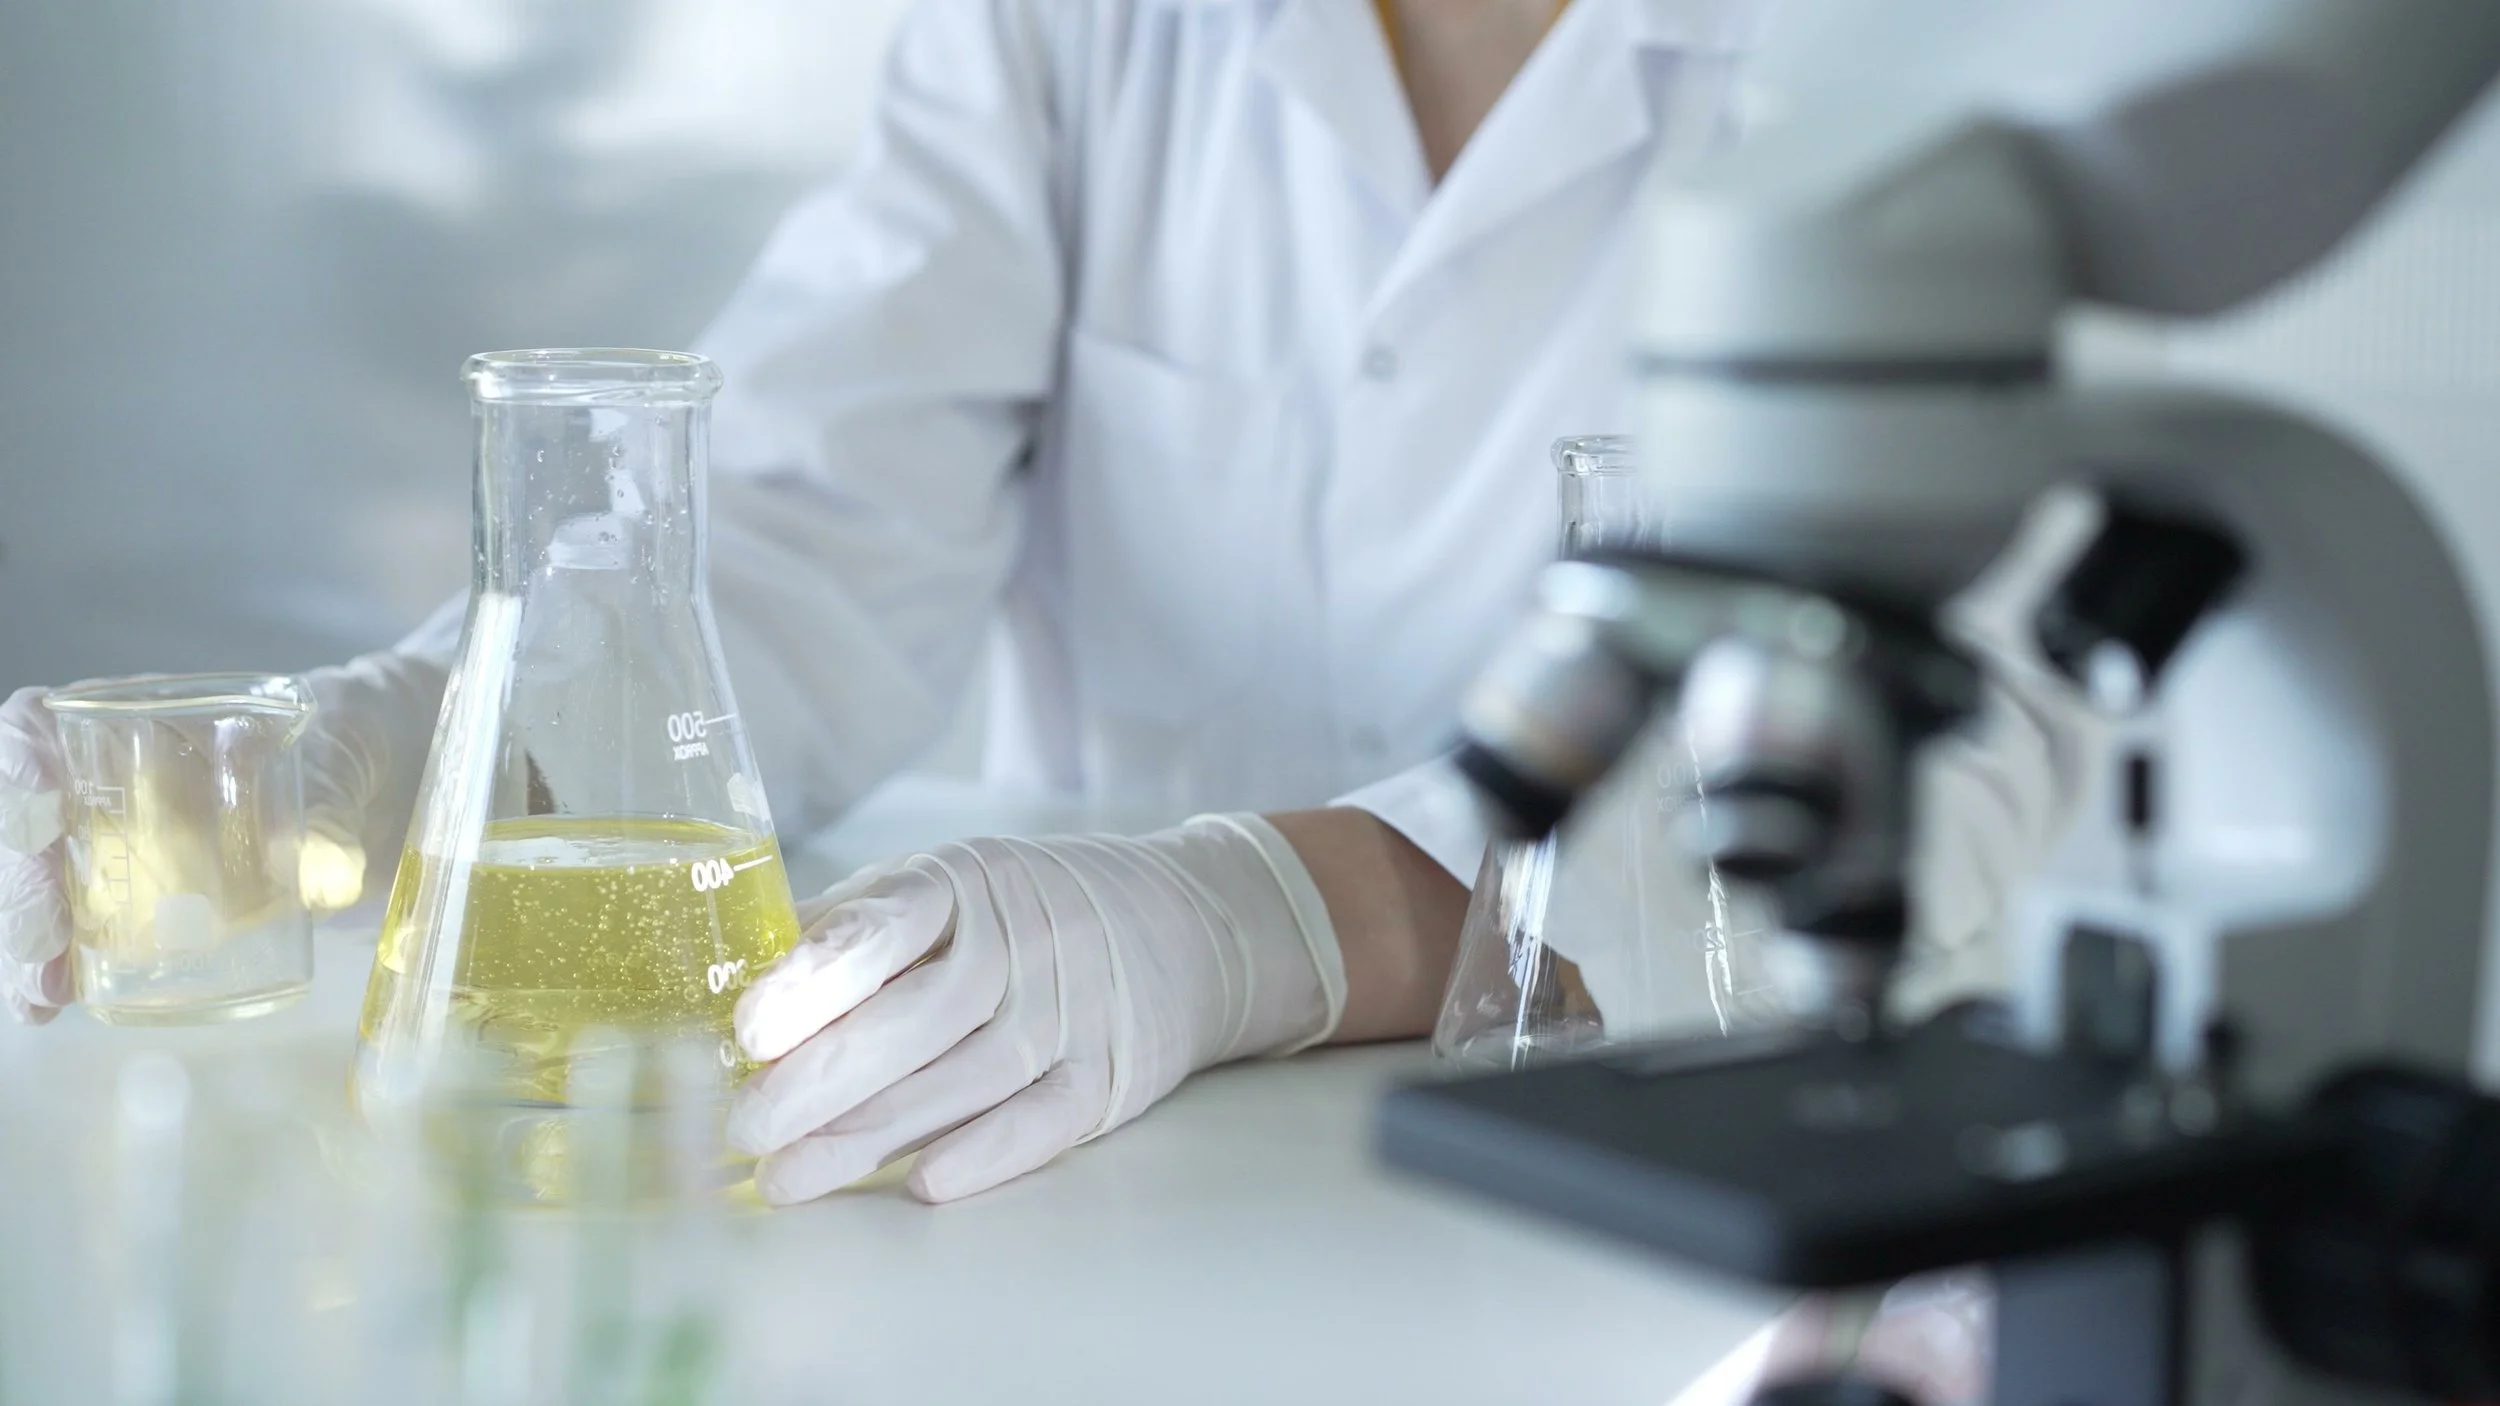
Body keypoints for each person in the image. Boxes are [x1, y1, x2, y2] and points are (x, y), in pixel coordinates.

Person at [1, 0, 2060, 1230]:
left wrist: (1279, 911)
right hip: (1077, 1160)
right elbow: (807, 526)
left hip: (1706, 1166)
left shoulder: (1929, 53)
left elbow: (1962, 712)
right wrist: (367, 744)